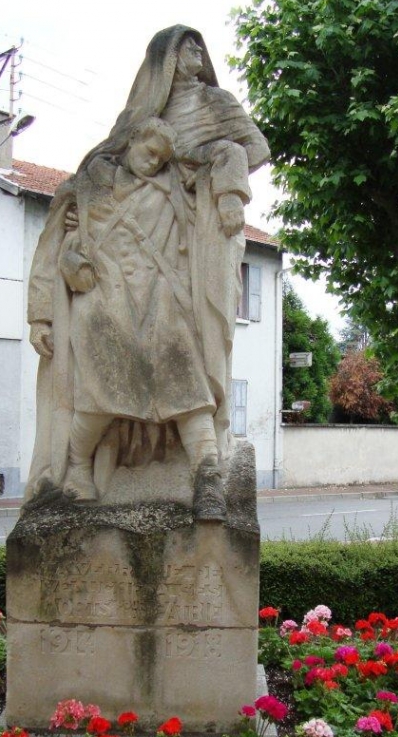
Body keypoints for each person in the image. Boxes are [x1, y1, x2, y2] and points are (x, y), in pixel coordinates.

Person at [24, 26, 269, 517]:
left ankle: (207, 477)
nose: (199, 52)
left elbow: (252, 151)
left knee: (185, 373)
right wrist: (43, 311)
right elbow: (59, 241)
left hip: (163, 293)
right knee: (99, 379)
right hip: (107, 298)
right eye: (188, 45)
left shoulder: (180, 174)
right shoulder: (93, 183)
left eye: (161, 158)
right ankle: (76, 469)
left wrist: (211, 182)